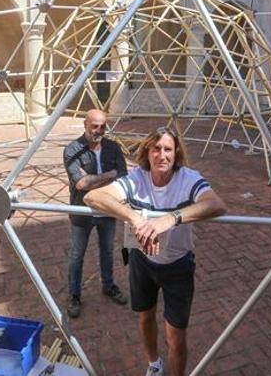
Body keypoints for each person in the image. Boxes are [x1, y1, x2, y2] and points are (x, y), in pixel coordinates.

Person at [84, 126, 227, 376]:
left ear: (176, 152)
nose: (162, 155)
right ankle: (154, 364)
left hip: (178, 265)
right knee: (145, 317)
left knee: (176, 334)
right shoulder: (137, 178)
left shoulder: (188, 179)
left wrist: (171, 218)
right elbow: (93, 197)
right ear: (148, 152)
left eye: (168, 149)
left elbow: (216, 205)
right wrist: (134, 218)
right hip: (143, 261)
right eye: (156, 149)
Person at [63, 109, 128, 318]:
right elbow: (80, 184)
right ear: (85, 124)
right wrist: (110, 175)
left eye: (103, 126)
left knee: (107, 251)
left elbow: (123, 176)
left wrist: (95, 177)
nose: (99, 130)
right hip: (82, 211)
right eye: (94, 126)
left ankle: (108, 285)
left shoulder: (113, 148)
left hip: (107, 209)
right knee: (76, 255)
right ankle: (74, 295)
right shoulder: (73, 149)